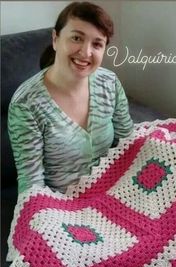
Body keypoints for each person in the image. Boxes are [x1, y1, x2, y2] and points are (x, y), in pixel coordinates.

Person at [8, 1, 134, 195]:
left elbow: (128, 142)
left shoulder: (109, 83)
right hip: (60, 207)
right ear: (55, 39)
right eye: (76, 38)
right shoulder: (26, 104)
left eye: (97, 44)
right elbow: (32, 184)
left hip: (114, 191)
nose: (86, 52)